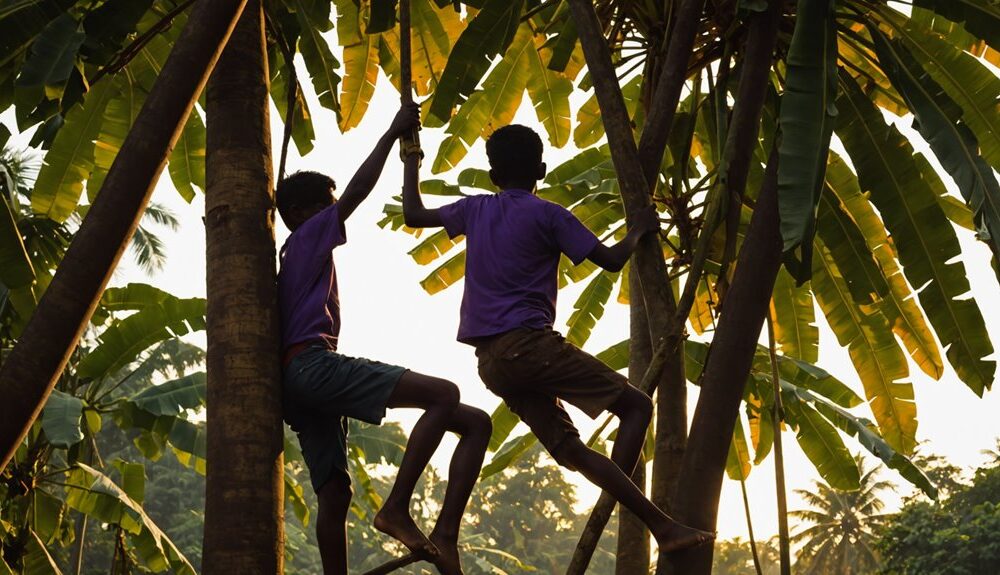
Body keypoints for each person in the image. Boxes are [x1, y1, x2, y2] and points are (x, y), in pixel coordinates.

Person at [400, 124, 714, 554]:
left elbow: (414, 214)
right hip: (530, 346)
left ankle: (658, 525)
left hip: (492, 365)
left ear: (493, 176)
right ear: (542, 170)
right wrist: (637, 232)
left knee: (571, 450)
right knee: (637, 406)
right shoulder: (549, 214)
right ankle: (637, 510)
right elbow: (607, 260)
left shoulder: (475, 209)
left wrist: (411, 161)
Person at [277, 103, 490, 575]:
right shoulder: (308, 237)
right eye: (325, 207)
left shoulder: (296, 255)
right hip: (313, 366)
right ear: (300, 213)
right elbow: (357, 191)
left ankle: (439, 538)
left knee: (472, 424)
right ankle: (396, 508)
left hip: (301, 387)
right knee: (444, 393)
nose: (335, 216)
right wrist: (393, 135)